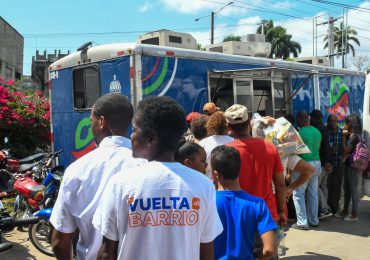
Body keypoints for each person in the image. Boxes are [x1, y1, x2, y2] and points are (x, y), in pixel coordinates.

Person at [93, 96, 223, 260]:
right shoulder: (203, 185)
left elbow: (106, 253)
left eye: (135, 129)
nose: (131, 136)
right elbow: (207, 252)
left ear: (151, 138)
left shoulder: (121, 184)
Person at [50, 93, 135, 260]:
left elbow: (59, 242)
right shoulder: (147, 165)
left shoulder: (77, 170)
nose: (91, 126)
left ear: (101, 122)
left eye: (91, 121)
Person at [225, 104, 287, 227]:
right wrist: (281, 211)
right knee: (268, 246)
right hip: (267, 213)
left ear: (229, 127)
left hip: (238, 215)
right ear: (249, 122)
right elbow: (280, 184)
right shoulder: (270, 147)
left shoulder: (226, 151)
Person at [211, 145, 277, 259]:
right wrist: (255, 254)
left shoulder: (207, 203)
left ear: (216, 174)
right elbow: (270, 249)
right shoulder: (257, 204)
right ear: (239, 170)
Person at [292, 111, 322, 230]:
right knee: (313, 193)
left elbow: (295, 151)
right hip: (317, 163)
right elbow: (318, 148)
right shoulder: (317, 132)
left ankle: (302, 222)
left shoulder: (299, 133)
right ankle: (314, 220)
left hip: (304, 165)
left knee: (298, 193)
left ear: (299, 120)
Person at [337, 114, 362, 221]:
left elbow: (346, 150)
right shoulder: (351, 136)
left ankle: (354, 214)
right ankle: (345, 211)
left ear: (350, 124)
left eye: (346, 123)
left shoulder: (354, 137)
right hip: (349, 165)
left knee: (353, 189)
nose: (344, 126)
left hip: (353, 167)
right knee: (346, 189)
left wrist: (343, 136)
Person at [310, 109, 333, 219]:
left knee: (316, 187)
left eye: (312, 118)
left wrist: (327, 162)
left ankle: (324, 209)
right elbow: (327, 146)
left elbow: (325, 146)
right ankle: (325, 208)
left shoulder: (318, 129)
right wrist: (329, 161)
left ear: (314, 118)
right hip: (325, 163)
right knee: (323, 186)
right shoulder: (323, 128)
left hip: (322, 163)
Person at [199, 111, 233, 177]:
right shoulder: (234, 141)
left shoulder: (203, 143)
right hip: (230, 179)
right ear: (226, 125)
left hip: (209, 179)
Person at [326, 114, 344, 215]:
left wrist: (341, 151)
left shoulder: (341, 133)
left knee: (337, 187)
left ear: (337, 122)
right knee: (328, 186)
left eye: (334, 121)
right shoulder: (326, 132)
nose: (332, 123)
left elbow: (344, 147)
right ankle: (328, 207)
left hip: (338, 163)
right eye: (330, 121)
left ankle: (335, 207)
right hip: (328, 165)